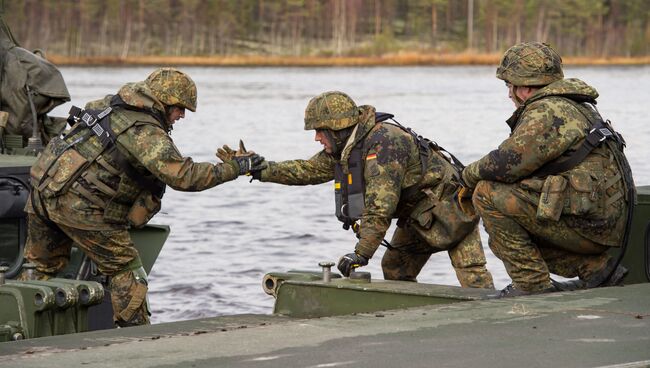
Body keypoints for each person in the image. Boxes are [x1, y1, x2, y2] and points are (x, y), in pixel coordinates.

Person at [19, 67, 264, 326]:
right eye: (180, 108)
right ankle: (136, 339)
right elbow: (185, 177)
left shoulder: (107, 104)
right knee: (128, 272)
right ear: (163, 101)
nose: (181, 115)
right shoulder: (146, 132)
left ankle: (21, 330)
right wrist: (237, 167)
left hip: (42, 194)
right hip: (81, 208)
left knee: (40, 269)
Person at [239, 91, 494, 288]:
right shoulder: (347, 147)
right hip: (418, 214)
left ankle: (500, 323)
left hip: (452, 207)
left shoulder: (385, 145)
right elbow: (306, 170)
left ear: (337, 129)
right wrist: (258, 168)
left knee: (473, 276)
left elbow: (379, 207)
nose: (316, 138)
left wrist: (360, 254)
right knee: (395, 268)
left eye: (319, 131)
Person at [461, 42, 634, 297]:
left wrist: (466, 176)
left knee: (487, 194)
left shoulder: (549, 110)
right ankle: (596, 269)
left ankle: (532, 285)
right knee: (507, 231)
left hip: (592, 225)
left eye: (510, 86)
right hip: (603, 222)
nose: (509, 94)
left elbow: (504, 164)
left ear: (525, 87)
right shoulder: (575, 105)